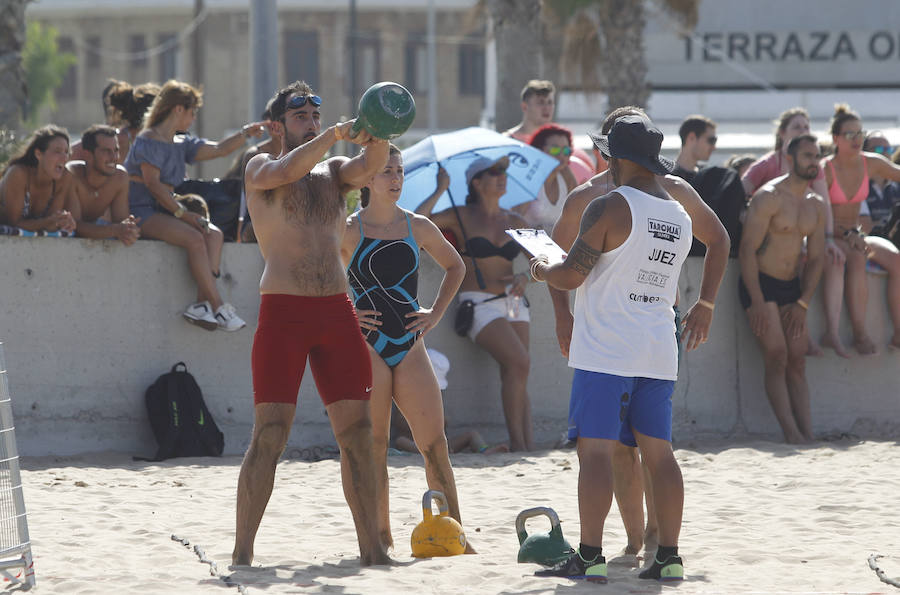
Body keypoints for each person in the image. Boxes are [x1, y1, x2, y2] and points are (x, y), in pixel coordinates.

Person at [549, 106, 729, 563]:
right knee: (660, 455)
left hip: (606, 347)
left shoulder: (608, 205)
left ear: (621, 158)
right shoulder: (677, 211)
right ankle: (667, 557)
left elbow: (569, 274)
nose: (605, 161)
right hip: (656, 346)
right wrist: (704, 302)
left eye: (610, 153)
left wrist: (539, 269)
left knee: (595, 454)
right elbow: (714, 240)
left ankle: (590, 556)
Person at [234, 80, 391, 567]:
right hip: (284, 311)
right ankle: (242, 553)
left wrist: (378, 128)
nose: (311, 119)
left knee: (359, 436)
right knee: (270, 434)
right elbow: (287, 168)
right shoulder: (261, 167)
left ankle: (372, 551)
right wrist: (333, 136)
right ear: (278, 124)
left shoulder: (335, 172)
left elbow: (371, 166)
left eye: (315, 113)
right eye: (299, 114)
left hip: (335, 313)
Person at [340, 144, 473, 553]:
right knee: (375, 446)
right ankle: (380, 537)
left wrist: (433, 313)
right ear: (366, 179)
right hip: (369, 347)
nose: (395, 179)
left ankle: (459, 536)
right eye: (386, 172)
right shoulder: (348, 229)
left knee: (435, 444)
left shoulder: (418, 226)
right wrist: (346, 311)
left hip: (410, 344)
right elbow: (316, 276)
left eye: (399, 172)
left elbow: (456, 266)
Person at [124, 79, 266, 331]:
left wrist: (246, 133)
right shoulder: (148, 140)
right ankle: (219, 305)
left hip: (167, 208)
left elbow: (219, 149)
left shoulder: (181, 143)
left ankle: (200, 305)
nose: (192, 118)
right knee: (194, 238)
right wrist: (182, 213)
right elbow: (153, 185)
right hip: (142, 208)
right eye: (192, 112)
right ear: (178, 109)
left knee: (214, 235)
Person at [415, 156, 535, 452]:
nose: (502, 176)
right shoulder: (460, 214)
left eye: (504, 171)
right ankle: (520, 444)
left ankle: (528, 444)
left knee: (519, 370)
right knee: (519, 363)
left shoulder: (515, 220)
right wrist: (441, 189)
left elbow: (547, 259)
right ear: (476, 182)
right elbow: (418, 222)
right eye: (494, 172)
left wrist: (526, 276)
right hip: (478, 301)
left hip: (515, 300)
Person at [740, 134, 827, 444]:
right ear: (790, 159)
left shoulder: (815, 205)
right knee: (776, 355)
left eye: (817, 156)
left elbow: (817, 258)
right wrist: (758, 301)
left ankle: (808, 434)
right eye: (807, 156)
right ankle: (791, 434)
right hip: (760, 282)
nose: (813, 162)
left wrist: (804, 302)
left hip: (792, 287)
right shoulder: (769, 197)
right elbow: (747, 249)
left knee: (798, 360)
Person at [740, 107, 845, 356]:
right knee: (777, 356)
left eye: (807, 127)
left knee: (829, 258)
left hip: (792, 275)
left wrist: (829, 238)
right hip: (763, 264)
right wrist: (748, 218)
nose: (803, 131)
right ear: (782, 134)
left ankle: (829, 331)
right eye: (797, 127)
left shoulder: (812, 172)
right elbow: (737, 192)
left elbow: (822, 203)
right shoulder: (767, 166)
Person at [821, 104, 900, 353]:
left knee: (896, 260)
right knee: (856, 258)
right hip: (830, 234)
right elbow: (818, 217)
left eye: (860, 133)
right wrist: (846, 235)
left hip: (857, 234)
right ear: (836, 138)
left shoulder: (872, 163)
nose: (858, 139)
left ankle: (898, 334)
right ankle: (859, 334)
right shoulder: (825, 168)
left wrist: (854, 235)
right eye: (850, 134)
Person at [65, 124, 139, 244]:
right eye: (106, 151)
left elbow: (120, 223)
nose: (114, 157)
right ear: (88, 155)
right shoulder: (72, 174)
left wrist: (128, 230)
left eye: (116, 151)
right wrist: (116, 230)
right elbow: (75, 226)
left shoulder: (120, 177)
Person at [0, 125, 77, 235]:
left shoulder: (64, 178)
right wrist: (49, 221)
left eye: (66, 152)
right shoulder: (18, 173)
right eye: (57, 151)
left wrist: (62, 221)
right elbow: (13, 223)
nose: (64, 158)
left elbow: (50, 224)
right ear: (38, 154)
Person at [225, 101, 281, 243]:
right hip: (257, 223)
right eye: (268, 116)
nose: (271, 121)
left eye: (278, 116)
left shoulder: (301, 154)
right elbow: (245, 200)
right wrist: (239, 234)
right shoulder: (254, 155)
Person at [513, 123, 578, 231]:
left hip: (556, 246)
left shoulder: (567, 177)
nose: (561, 155)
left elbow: (577, 215)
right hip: (527, 244)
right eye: (555, 149)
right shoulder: (529, 179)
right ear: (539, 150)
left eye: (566, 150)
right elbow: (515, 219)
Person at [672, 114, 717, 182]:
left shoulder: (708, 177)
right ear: (691, 137)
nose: (714, 147)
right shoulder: (667, 177)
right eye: (711, 140)